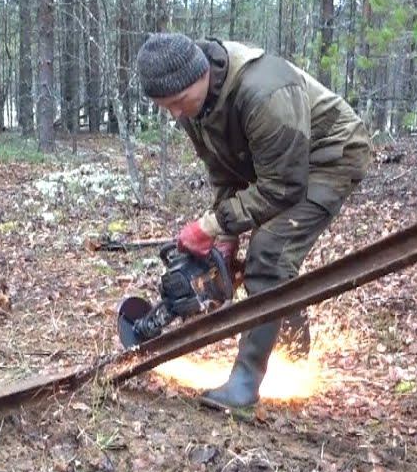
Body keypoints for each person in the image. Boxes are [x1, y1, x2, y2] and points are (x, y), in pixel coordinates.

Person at [135, 33, 372, 411]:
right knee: (265, 260)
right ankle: (294, 359)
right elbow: (226, 173)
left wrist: (210, 227)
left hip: (330, 157)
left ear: (199, 76)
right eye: (166, 107)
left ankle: (246, 384)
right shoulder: (195, 106)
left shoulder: (264, 91)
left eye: (178, 103)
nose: (175, 114)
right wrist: (225, 236)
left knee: (270, 253)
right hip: (277, 164)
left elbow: (283, 187)